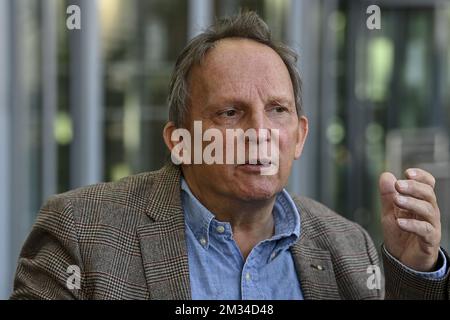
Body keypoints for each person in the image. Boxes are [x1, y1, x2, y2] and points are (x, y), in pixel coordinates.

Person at [11, 12, 449, 300]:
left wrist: (412, 270)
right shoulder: (82, 233)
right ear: (179, 140)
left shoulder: (349, 247)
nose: (259, 133)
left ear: (299, 137)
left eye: (278, 111)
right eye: (230, 112)